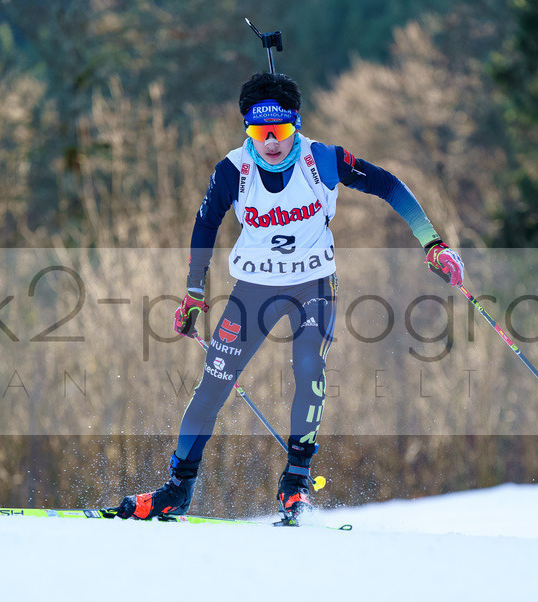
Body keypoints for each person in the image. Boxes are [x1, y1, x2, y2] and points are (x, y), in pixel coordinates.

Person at [114, 72, 465, 523]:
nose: (270, 142)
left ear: (295, 124)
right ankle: (177, 490)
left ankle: (295, 485)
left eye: (279, 129)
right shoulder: (233, 169)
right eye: (258, 131)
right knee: (212, 384)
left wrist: (432, 242)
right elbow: (205, 225)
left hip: (312, 286)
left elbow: (389, 185)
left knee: (308, 367)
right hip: (253, 289)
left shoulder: (323, 160)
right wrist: (194, 292)